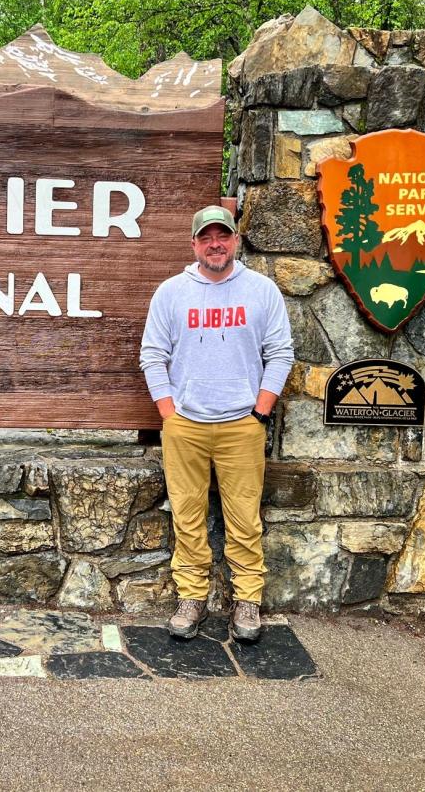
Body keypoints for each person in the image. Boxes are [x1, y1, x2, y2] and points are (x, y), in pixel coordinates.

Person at [139, 205, 294, 641]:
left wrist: (260, 411)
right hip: (185, 425)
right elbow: (152, 355)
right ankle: (192, 597)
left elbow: (280, 353)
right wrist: (170, 414)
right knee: (187, 516)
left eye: (222, 236)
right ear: (194, 244)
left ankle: (248, 601)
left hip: (242, 425)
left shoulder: (261, 291)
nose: (215, 244)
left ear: (235, 240)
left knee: (244, 518)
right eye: (205, 237)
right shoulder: (172, 292)